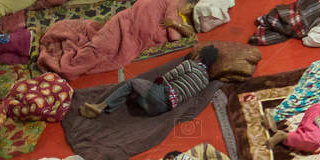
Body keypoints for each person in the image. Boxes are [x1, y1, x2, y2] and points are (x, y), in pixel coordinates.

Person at [79, 46, 217, 118]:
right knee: (139, 91)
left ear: (199, 56)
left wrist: (156, 83)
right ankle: (116, 105)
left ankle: (101, 106)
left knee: (132, 83)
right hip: (158, 110)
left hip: (158, 97)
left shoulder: (190, 65)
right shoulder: (205, 81)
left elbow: (168, 77)